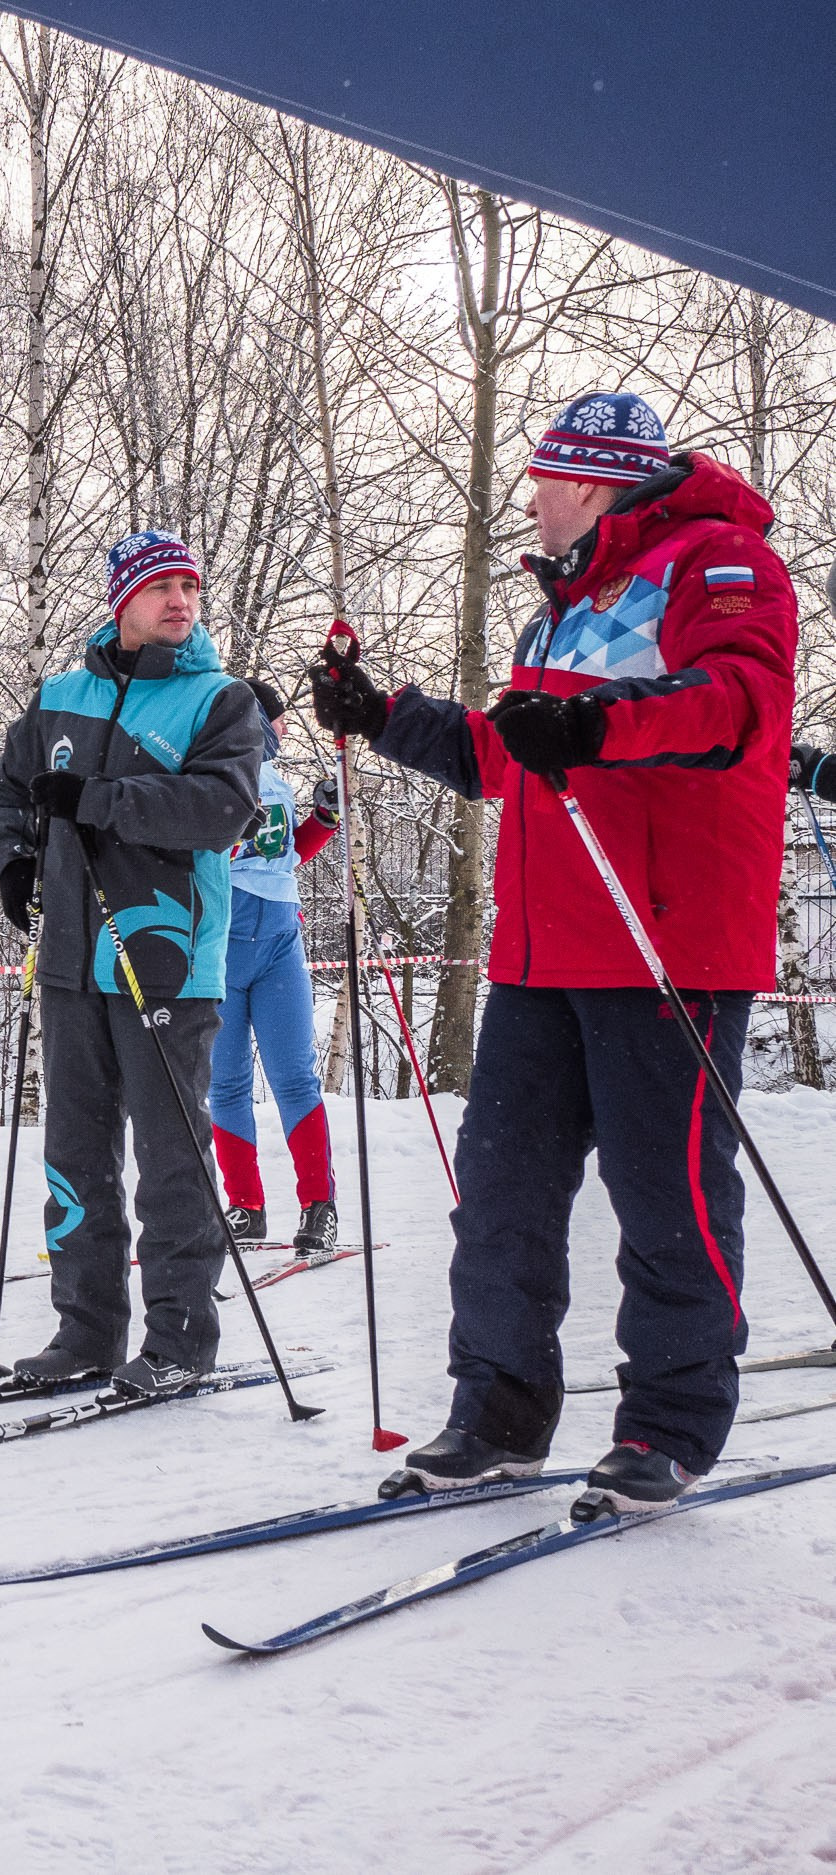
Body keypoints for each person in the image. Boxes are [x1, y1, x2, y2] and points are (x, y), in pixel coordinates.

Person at [312, 392, 796, 1514]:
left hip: (661, 940)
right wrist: (381, 714)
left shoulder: (717, 564)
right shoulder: (560, 612)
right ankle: (496, 1412)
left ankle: (669, 1426)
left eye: (541, 479)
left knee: (662, 1196)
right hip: (540, 952)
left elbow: (737, 702)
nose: (527, 499)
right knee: (500, 1191)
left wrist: (594, 724)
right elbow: (506, 756)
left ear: (589, 480)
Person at [0, 531, 261, 1400]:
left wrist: (100, 801)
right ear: (122, 602)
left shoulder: (219, 699)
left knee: (172, 1156)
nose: (180, 600)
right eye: (161, 586)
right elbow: (7, 787)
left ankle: (180, 1334)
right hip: (71, 960)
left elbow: (222, 808)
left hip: (165, 963)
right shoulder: (61, 695)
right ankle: (86, 1329)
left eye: (189, 586)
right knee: (74, 1149)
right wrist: (16, 859)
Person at [210, 677, 342, 1251]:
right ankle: (246, 1206)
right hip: (220, 944)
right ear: (256, 722)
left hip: (280, 944)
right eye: (281, 719)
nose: (288, 729)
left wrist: (325, 818)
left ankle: (320, 1206)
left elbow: (284, 854)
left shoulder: (278, 784)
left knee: (293, 1076)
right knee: (227, 1082)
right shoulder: (215, 776)